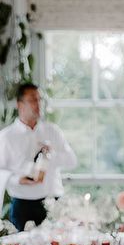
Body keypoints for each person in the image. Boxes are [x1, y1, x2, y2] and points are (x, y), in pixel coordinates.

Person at [0, 82, 77, 231]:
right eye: (33, 100)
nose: (38, 104)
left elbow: (72, 161)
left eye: (40, 99)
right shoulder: (5, 137)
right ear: (20, 105)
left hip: (53, 203)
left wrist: (51, 154)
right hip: (22, 205)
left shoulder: (52, 131)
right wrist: (17, 179)